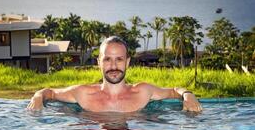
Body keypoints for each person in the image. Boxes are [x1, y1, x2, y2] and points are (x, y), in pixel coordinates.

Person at [27, 36, 202, 113]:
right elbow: (49, 92)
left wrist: (188, 95)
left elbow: (173, 91)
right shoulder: (82, 93)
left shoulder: (143, 91)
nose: (113, 66)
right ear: (99, 63)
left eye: (119, 59)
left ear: (127, 62)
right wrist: (37, 96)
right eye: (107, 59)